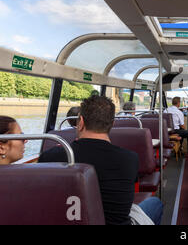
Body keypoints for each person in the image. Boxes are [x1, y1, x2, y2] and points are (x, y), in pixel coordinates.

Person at [39, 95, 163, 225]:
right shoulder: (130, 159)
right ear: (112, 124)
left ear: (80, 122)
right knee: (155, 203)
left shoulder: (50, 157)